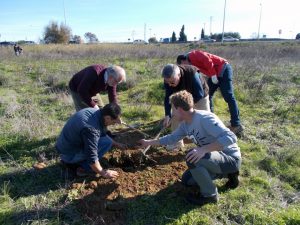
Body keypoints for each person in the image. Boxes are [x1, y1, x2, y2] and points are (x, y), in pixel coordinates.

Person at [139, 90, 241, 206]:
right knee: (188, 180)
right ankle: (229, 174)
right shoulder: (185, 124)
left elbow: (231, 137)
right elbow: (171, 138)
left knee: (192, 156)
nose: (172, 113)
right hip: (215, 159)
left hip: (230, 158)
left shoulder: (204, 118)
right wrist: (148, 142)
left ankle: (210, 195)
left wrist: (203, 149)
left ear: (179, 109)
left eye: (173, 109)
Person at [177, 50, 243, 135]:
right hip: (214, 74)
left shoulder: (193, 55)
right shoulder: (191, 64)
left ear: (183, 60)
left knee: (228, 96)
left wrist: (213, 75)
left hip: (223, 69)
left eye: (184, 64)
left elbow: (207, 60)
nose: (186, 66)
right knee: (207, 95)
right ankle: (210, 121)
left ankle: (236, 124)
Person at [55, 103, 126, 178]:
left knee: (108, 141)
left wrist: (117, 144)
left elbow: (102, 134)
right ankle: (82, 168)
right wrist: (104, 173)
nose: (113, 124)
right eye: (113, 122)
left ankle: (79, 162)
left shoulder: (95, 113)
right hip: (68, 154)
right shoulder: (91, 129)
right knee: (106, 143)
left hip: (65, 145)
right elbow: (91, 156)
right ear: (108, 118)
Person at [162, 63, 209, 150]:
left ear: (179, 75)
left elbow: (199, 94)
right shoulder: (168, 80)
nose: (169, 85)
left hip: (199, 96)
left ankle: (206, 145)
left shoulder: (192, 74)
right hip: (180, 96)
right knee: (175, 117)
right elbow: (168, 97)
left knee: (204, 119)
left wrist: (185, 109)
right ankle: (177, 143)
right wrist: (167, 115)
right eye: (167, 82)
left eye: (172, 82)